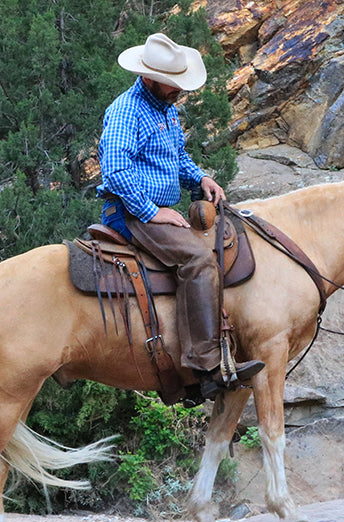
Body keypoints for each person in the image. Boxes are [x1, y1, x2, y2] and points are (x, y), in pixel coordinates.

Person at [96, 33, 264, 399]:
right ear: (149, 78)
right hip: (130, 211)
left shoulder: (166, 108)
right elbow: (115, 170)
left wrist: (200, 177)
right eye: (173, 84)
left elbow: (176, 160)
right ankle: (204, 367)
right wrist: (152, 212)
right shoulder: (126, 110)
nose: (179, 91)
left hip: (154, 210)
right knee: (199, 260)